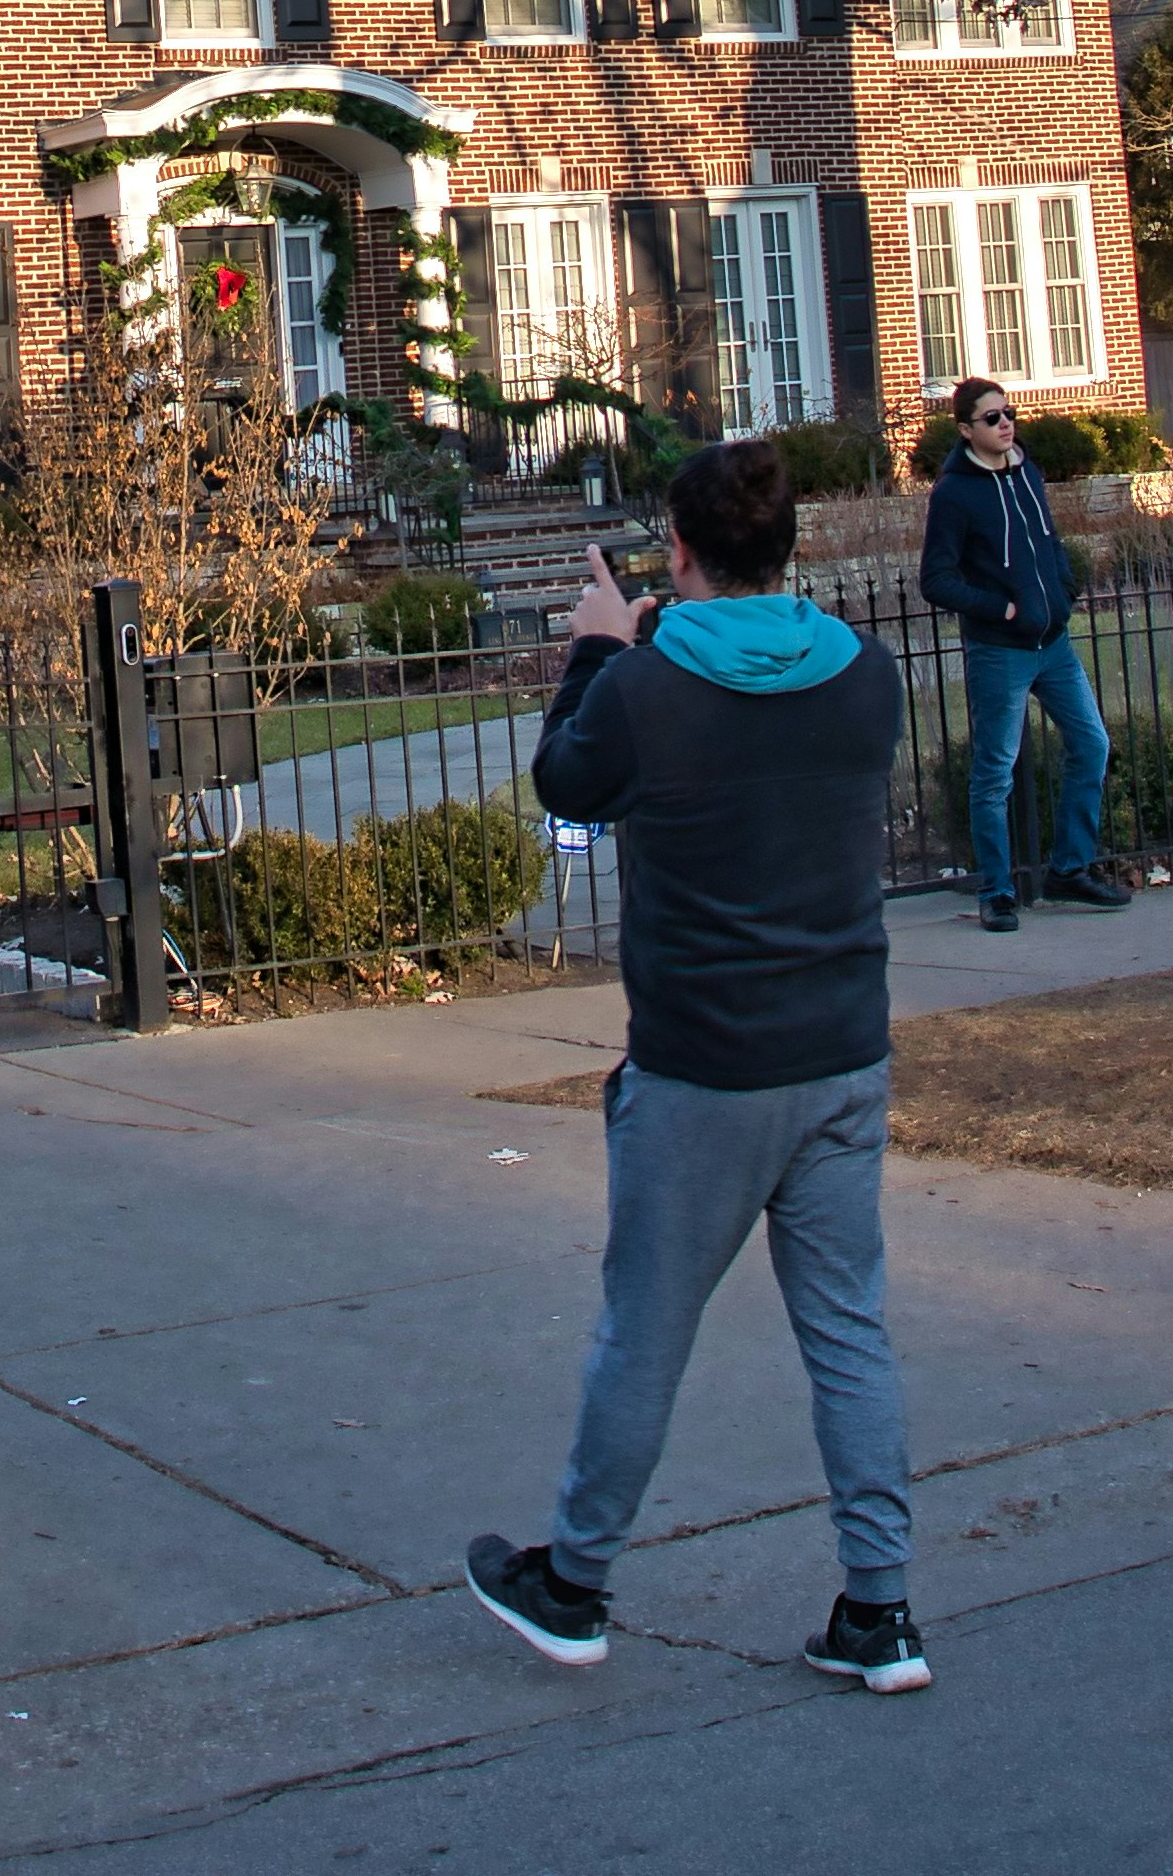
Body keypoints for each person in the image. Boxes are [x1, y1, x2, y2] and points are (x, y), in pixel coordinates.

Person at [467, 432, 928, 1696]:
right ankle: (880, 1610)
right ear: (788, 547)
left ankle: (573, 1584)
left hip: (702, 1068)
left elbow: (568, 786)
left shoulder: (648, 689)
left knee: (647, 1332)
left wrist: (601, 646)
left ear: (678, 547)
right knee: (848, 1329)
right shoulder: (866, 676)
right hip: (841, 1049)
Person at [918, 377, 1129, 934]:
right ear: (966, 430)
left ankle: (1069, 869)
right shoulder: (954, 494)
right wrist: (999, 609)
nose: (1005, 423)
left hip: (1052, 644)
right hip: (1000, 652)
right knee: (994, 773)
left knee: (1091, 744)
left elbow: (1050, 541)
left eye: (1008, 413)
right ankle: (997, 891)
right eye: (991, 418)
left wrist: (1062, 590)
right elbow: (935, 580)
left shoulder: (1026, 470)